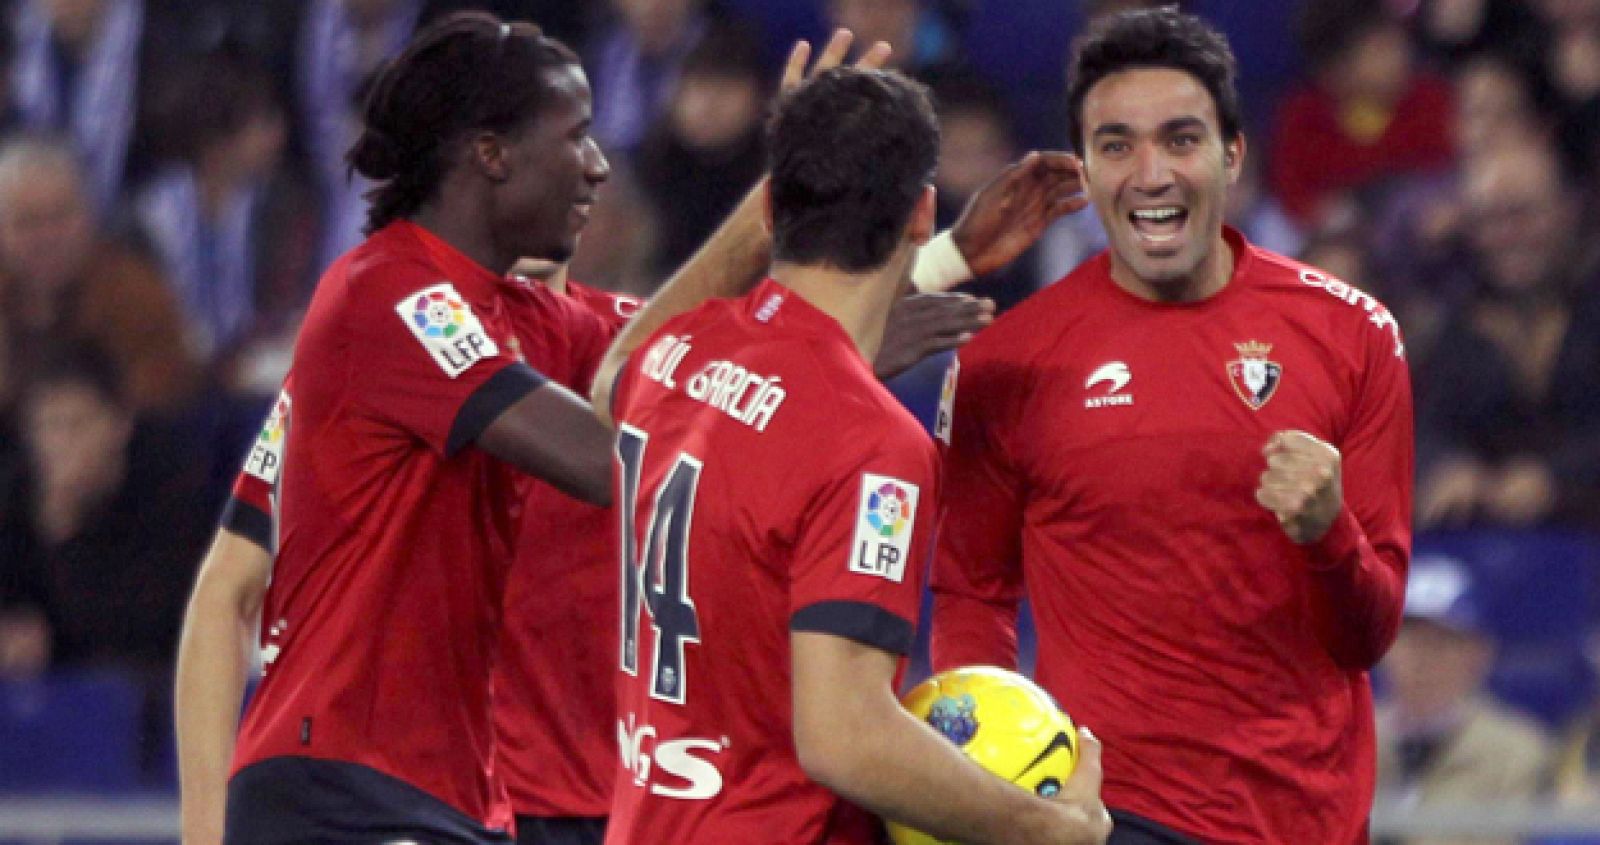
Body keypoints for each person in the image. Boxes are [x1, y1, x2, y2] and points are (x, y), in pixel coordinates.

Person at [173, 13, 775, 844]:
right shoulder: (386, 298)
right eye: (576, 137)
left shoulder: (528, 321)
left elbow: (703, 355)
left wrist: (926, 259)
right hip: (345, 785)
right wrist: (760, 216)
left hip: (464, 798)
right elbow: (604, 459)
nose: (599, 167)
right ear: (491, 154)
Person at [932, 8, 1414, 845]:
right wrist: (990, 784)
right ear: (1083, 168)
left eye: (1180, 139)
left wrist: (1327, 532)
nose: (1150, 173)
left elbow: (1368, 634)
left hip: (1311, 818)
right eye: (1116, 146)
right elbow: (973, 591)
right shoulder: (1005, 361)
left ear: (1233, 153)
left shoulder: (1355, 335)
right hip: (1116, 817)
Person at [594, 66, 1110, 845]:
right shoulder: (869, 442)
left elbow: (612, 376)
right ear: (922, 212)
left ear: (769, 205)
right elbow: (844, 736)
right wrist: (1048, 827)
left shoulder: (680, 351)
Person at [1375, 555, 1552, 845]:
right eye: (1409, 641)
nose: (1423, 659)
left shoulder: (1518, 751)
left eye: (1442, 643)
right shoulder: (1348, 741)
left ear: (1479, 654)